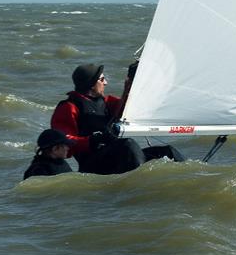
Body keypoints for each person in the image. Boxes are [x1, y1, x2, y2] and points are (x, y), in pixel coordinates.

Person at [51, 62, 185, 175]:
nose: (106, 83)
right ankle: (141, 186)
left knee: (167, 152)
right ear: (91, 84)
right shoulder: (68, 107)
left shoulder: (107, 102)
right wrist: (93, 140)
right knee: (128, 144)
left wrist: (133, 80)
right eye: (102, 79)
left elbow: (129, 108)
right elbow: (63, 141)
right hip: (93, 165)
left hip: (119, 156)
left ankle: (191, 178)